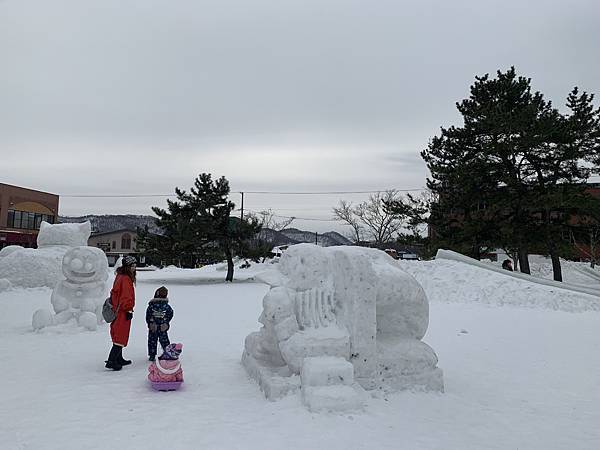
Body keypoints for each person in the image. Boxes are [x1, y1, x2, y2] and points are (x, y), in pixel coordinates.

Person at [105, 256, 136, 371]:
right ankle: (111, 361)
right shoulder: (126, 279)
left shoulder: (120, 276)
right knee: (120, 335)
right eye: (132, 266)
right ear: (127, 266)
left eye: (134, 265)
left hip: (117, 310)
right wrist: (128, 309)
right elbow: (126, 297)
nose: (134, 268)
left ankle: (119, 358)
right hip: (122, 311)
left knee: (119, 334)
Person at [146, 286, 174, 361]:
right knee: (165, 341)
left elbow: (148, 315)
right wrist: (166, 322)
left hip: (153, 327)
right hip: (162, 327)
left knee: (152, 341)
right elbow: (171, 314)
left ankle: (152, 355)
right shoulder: (167, 306)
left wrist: (149, 323)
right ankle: (168, 354)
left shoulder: (151, 306)